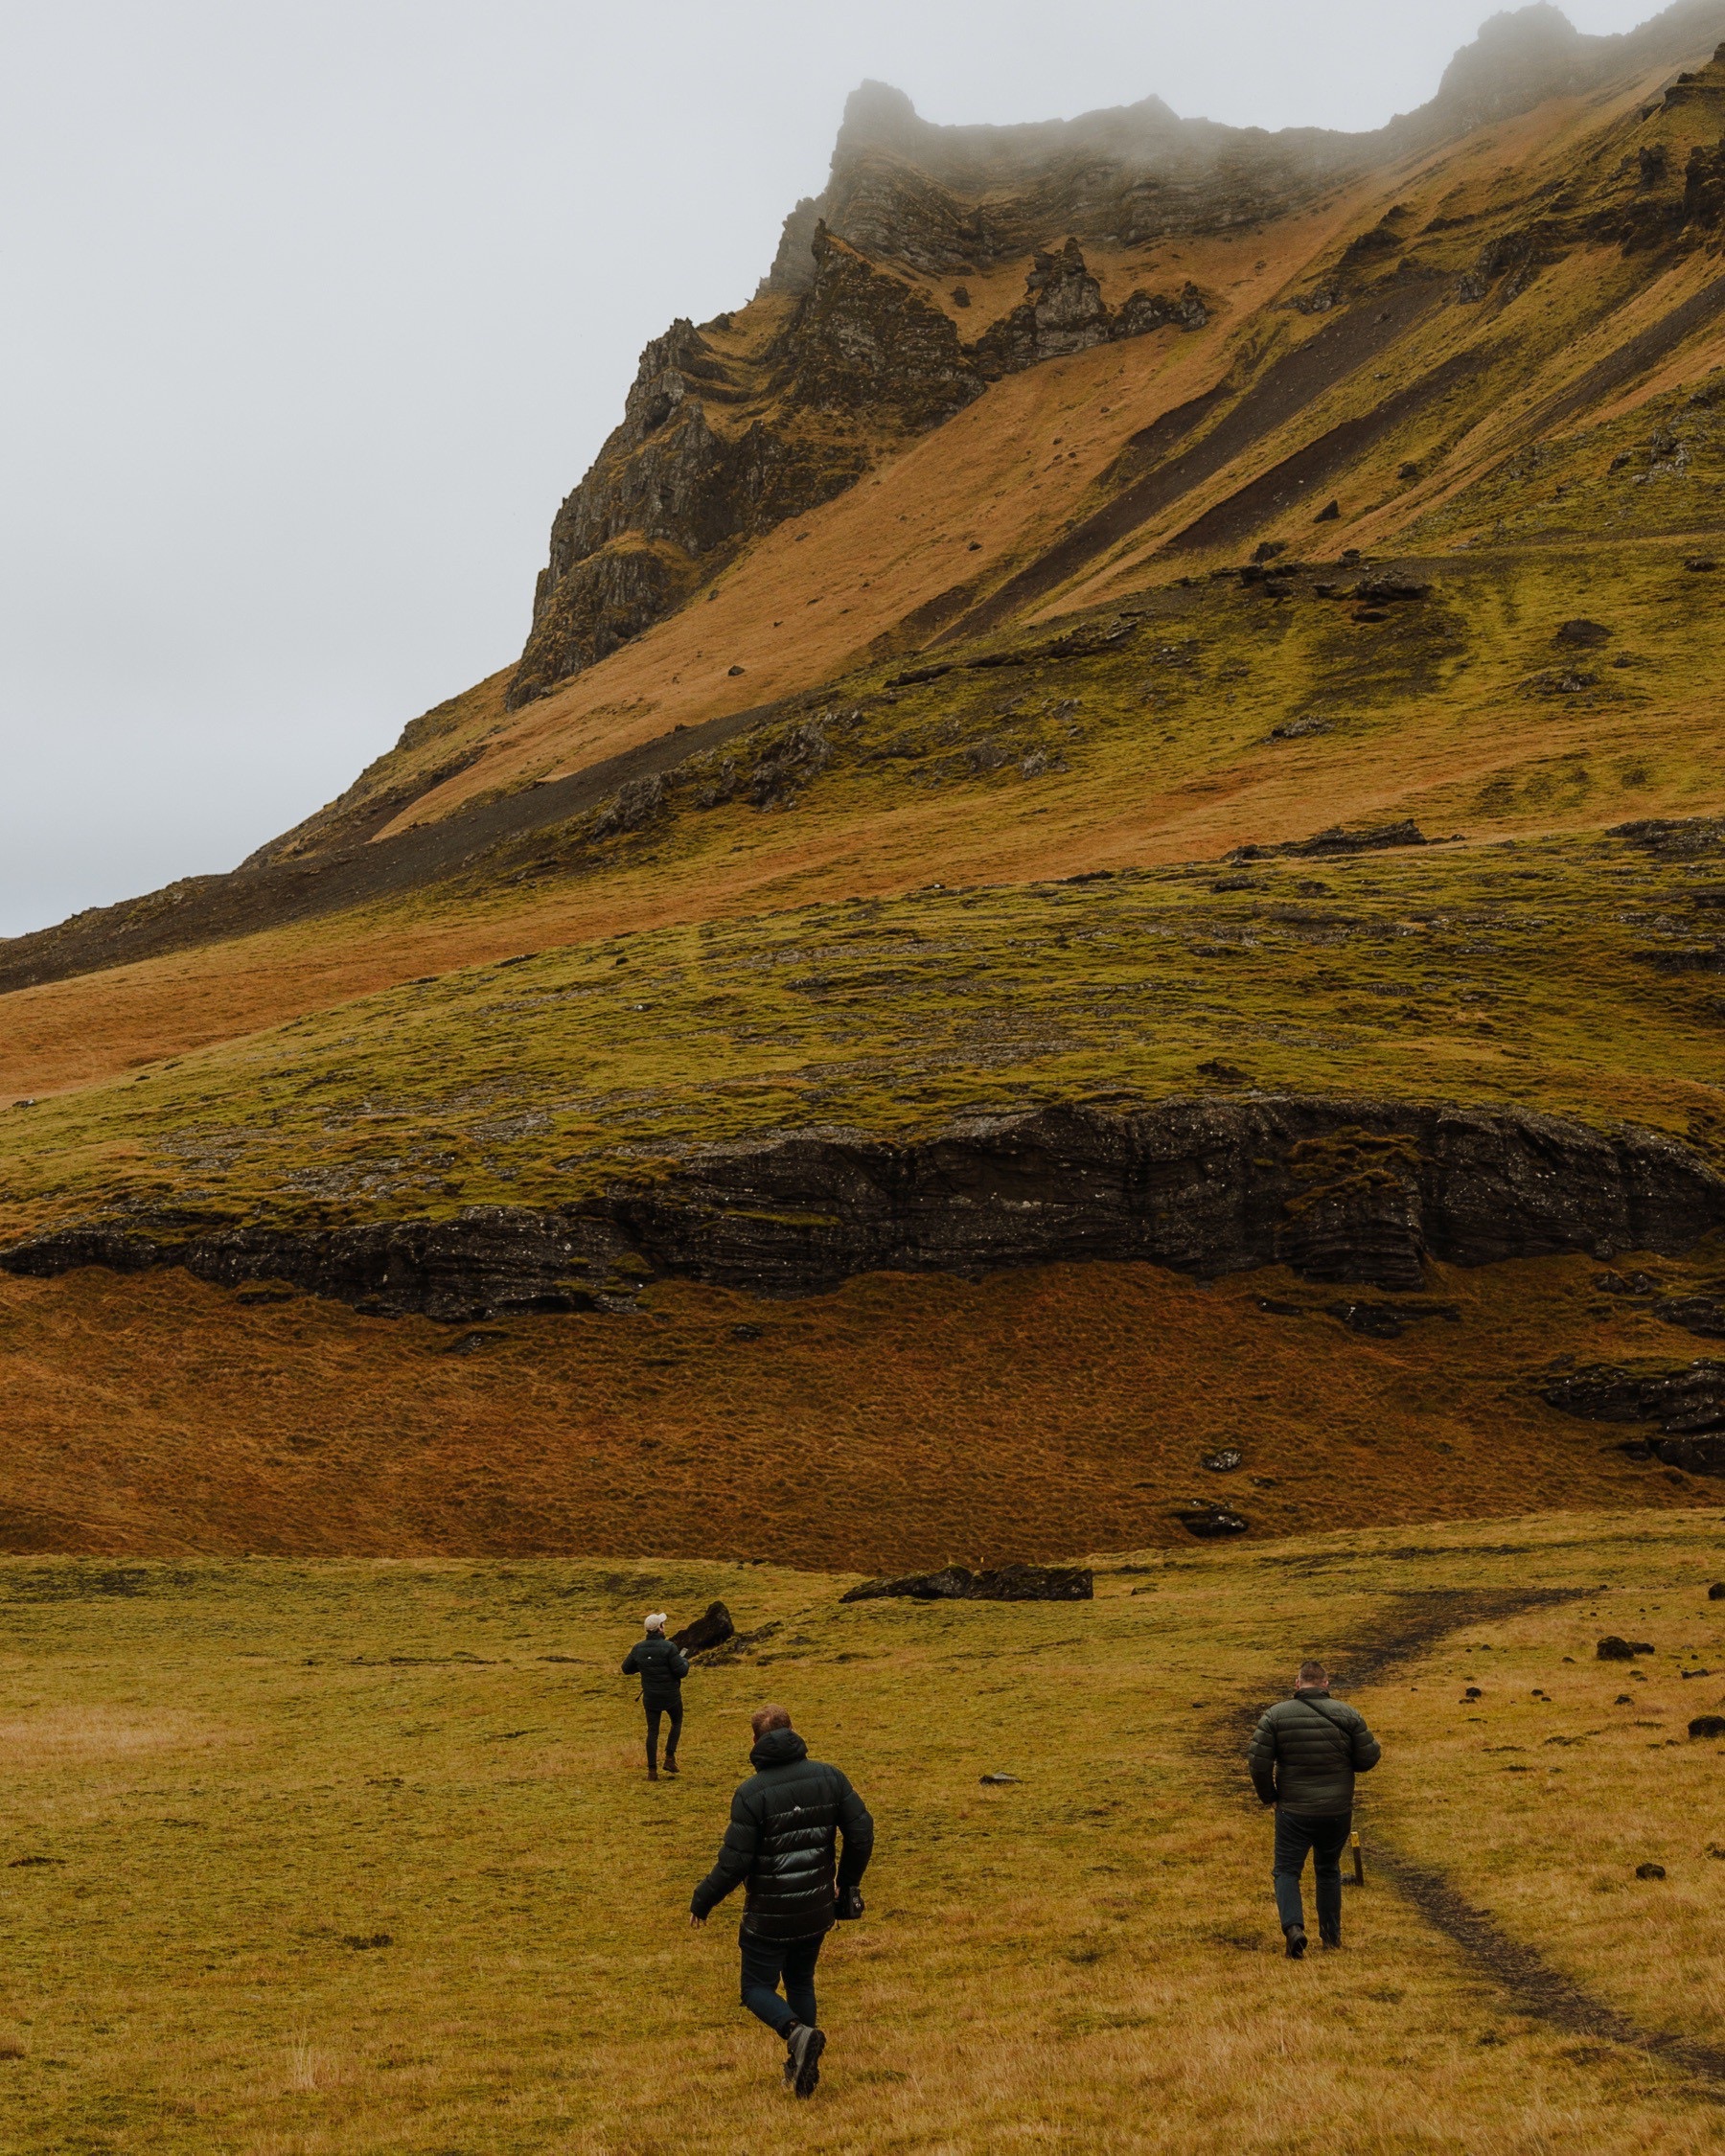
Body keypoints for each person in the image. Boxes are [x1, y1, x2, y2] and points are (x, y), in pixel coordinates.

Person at [688, 1704, 874, 2099]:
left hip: (768, 1915)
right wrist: (846, 1885)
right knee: (800, 1980)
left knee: (755, 1987)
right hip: (816, 1907)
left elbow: (734, 1863)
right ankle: (800, 2062)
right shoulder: (830, 1777)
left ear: (755, 1740)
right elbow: (861, 1833)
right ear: (793, 1730)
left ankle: (795, 2035)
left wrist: (702, 1900)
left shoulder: (751, 1793)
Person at [1248, 1658, 1381, 1959]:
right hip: (1336, 1810)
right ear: (1325, 1683)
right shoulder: (1348, 1714)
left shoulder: (1275, 1715)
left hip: (1293, 1811)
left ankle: (1294, 1929)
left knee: (1286, 1871)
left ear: (1297, 1684)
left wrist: (1270, 1797)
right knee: (1328, 1870)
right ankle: (1331, 1937)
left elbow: (1258, 1763)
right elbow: (1368, 1759)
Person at [621, 1613, 689, 1781]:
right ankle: (669, 1758)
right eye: (663, 1624)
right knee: (676, 1722)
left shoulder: (638, 1648)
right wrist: (685, 1661)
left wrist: (644, 1666)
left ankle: (652, 1771)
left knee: (652, 1732)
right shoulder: (670, 1647)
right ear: (660, 1628)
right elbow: (681, 1671)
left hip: (651, 1697)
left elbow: (626, 1668)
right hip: (671, 1695)